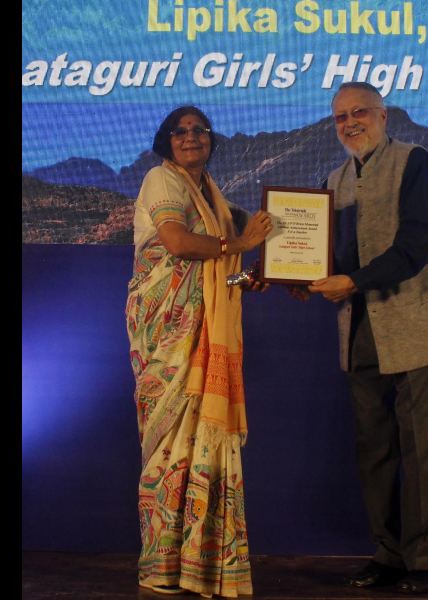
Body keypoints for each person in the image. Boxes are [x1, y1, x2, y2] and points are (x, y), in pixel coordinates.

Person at [307, 82, 428, 594]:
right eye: (340, 117)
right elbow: (328, 256)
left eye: (359, 113)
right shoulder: (333, 179)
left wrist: (351, 281)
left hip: (415, 325)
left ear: (383, 115)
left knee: (421, 448)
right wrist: (295, 274)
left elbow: (420, 241)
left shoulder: (413, 161)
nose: (350, 123)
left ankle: (425, 560)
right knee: (374, 448)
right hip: (360, 331)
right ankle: (388, 553)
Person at [126, 106, 272, 598]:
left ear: (211, 140)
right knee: (169, 444)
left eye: (199, 131)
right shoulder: (159, 181)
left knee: (197, 441)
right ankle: (161, 564)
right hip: (167, 331)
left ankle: (199, 562)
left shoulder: (213, 194)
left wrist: (249, 277)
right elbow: (178, 243)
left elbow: (219, 275)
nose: (190, 138)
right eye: (180, 131)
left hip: (203, 330)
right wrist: (240, 244)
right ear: (166, 140)